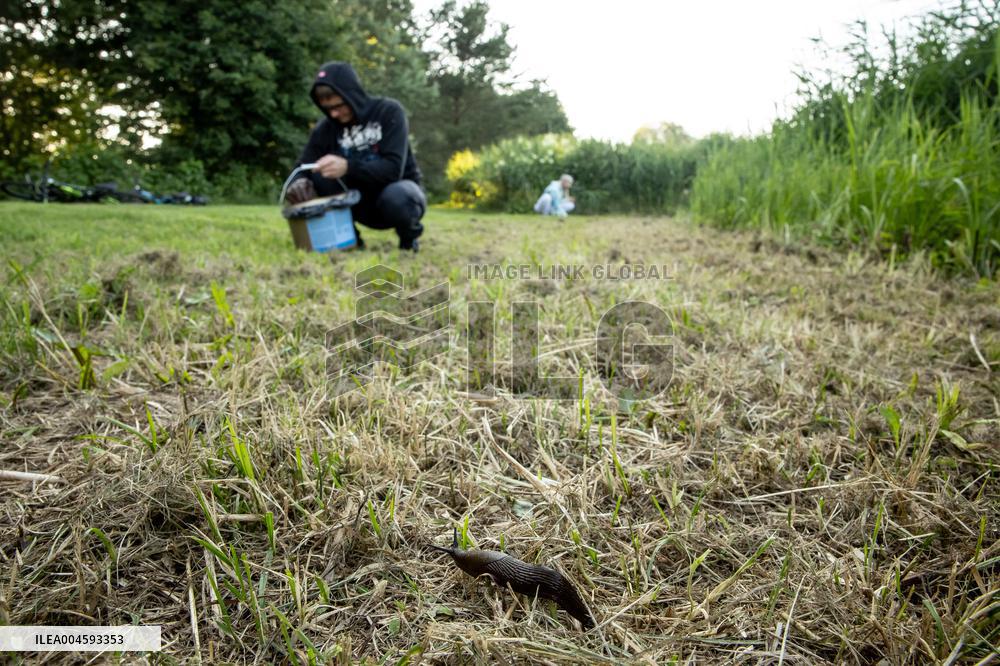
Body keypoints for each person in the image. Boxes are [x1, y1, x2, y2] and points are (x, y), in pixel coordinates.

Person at [285, 61, 425, 251]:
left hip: (399, 198)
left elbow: (393, 170)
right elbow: (302, 167)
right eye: (327, 108)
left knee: (397, 197)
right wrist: (299, 183)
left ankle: (408, 241)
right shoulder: (325, 129)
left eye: (338, 105)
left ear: (352, 95)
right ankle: (351, 241)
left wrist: (348, 167)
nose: (334, 113)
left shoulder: (388, 111)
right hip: (357, 204)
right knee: (319, 174)